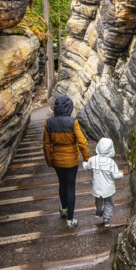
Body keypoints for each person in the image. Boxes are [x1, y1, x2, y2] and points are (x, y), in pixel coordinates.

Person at [43, 94, 90, 228]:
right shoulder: (73, 122)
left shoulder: (48, 123)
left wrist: (49, 160)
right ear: (69, 107)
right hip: (71, 161)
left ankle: (63, 210)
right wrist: (86, 158)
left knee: (62, 184)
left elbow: (46, 144)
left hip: (57, 160)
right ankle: (70, 220)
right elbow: (82, 142)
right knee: (70, 187)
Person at [83, 137, 124, 227]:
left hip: (97, 187)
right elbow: (115, 175)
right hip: (108, 189)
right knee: (109, 203)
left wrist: (84, 164)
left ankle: (98, 211)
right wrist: (121, 173)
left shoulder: (93, 159)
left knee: (98, 200)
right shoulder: (111, 162)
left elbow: (87, 167)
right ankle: (106, 219)